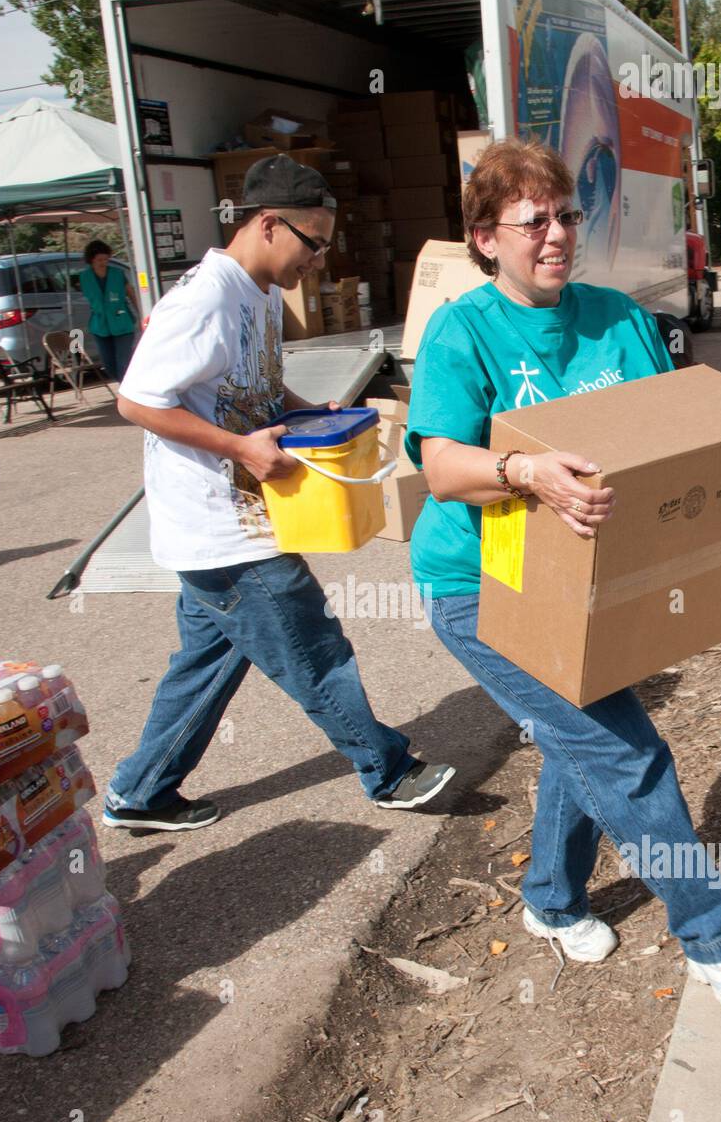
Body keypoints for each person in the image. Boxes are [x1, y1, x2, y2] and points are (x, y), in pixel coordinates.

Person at [405, 137, 721, 1011]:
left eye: (567, 215)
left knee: (581, 744)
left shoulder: (617, 318)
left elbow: (682, 454)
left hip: (589, 584)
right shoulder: (462, 330)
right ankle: (714, 937)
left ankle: (547, 898)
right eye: (531, 220)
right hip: (485, 589)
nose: (555, 235)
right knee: (626, 750)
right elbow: (439, 467)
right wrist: (524, 471)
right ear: (485, 239)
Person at [102, 154, 455, 832]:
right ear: (268, 225)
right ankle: (388, 771)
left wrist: (298, 411)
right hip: (221, 525)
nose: (318, 260)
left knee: (208, 664)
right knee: (312, 646)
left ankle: (140, 792)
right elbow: (137, 401)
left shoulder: (261, 293)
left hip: (226, 521)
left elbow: (250, 385)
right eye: (312, 243)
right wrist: (239, 448)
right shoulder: (205, 298)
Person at [80, 240, 140, 382]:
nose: (103, 263)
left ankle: (125, 391)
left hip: (122, 322)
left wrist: (140, 312)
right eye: (99, 259)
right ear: (91, 259)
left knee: (123, 362)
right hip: (100, 325)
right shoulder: (85, 277)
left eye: (106, 259)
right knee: (108, 364)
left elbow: (131, 293)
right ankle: (123, 386)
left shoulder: (117, 274)